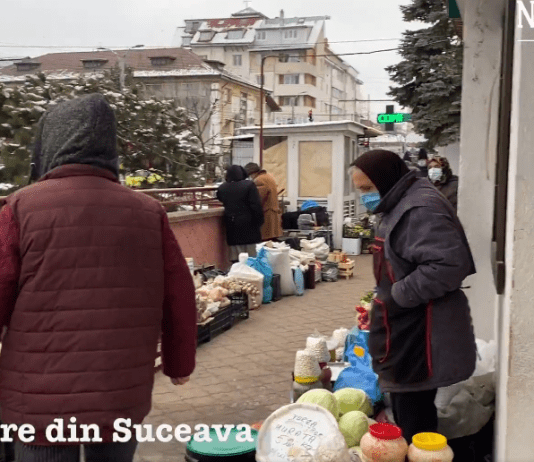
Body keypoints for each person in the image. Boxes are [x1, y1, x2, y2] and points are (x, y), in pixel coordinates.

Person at [0, 94, 197, 461]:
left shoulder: (20, 209)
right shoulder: (147, 212)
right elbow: (179, 296)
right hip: (119, 391)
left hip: (39, 400)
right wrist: (179, 363)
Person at [349, 149, 477, 444]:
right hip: (406, 322)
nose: (365, 197)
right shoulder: (399, 201)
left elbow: (448, 266)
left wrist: (395, 296)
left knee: (414, 417)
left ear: (386, 179)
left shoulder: (420, 209)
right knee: (409, 409)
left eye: (367, 189)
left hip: (421, 331)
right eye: (360, 190)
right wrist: (382, 301)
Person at [217, 165, 264, 262]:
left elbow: (220, 198)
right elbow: (256, 206)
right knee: (252, 257)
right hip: (250, 225)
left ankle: (238, 269)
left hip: (232, 224)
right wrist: (259, 221)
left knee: (237, 257)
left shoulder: (222, 188)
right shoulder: (249, 185)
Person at [244, 163, 283, 241]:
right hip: (273, 213)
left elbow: (258, 198)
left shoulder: (259, 180)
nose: (250, 177)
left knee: (265, 242)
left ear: (252, 173)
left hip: (266, 214)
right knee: (271, 241)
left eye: (250, 175)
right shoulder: (268, 176)